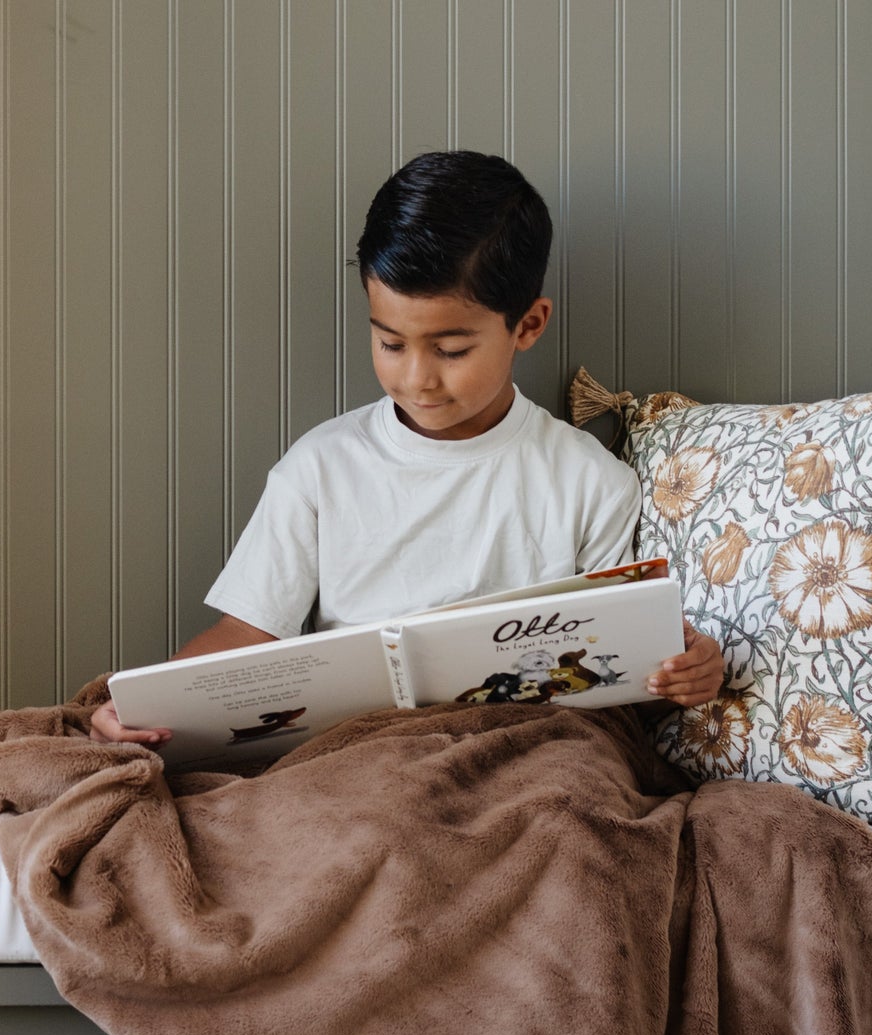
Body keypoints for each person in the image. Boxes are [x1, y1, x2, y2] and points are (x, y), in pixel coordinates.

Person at [91, 150, 723, 746]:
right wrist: (144, 708)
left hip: (522, 751)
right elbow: (247, 633)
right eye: (390, 344)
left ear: (528, 325)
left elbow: (619, 669)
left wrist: (686, 672)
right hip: (355, 752)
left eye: (451, 350)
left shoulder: (590, 481)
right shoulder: (320, 467)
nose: (418, 378)